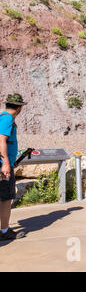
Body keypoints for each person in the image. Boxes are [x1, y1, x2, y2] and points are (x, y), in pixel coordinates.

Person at [0, 94, 27, 241]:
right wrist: (5, 163)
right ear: (19, 107)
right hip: (2, 166)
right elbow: (1, 140)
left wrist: (11, 161)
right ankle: (4, 231)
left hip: (6, 162)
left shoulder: (3, 117)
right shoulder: (7, 119)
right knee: (5, 198)